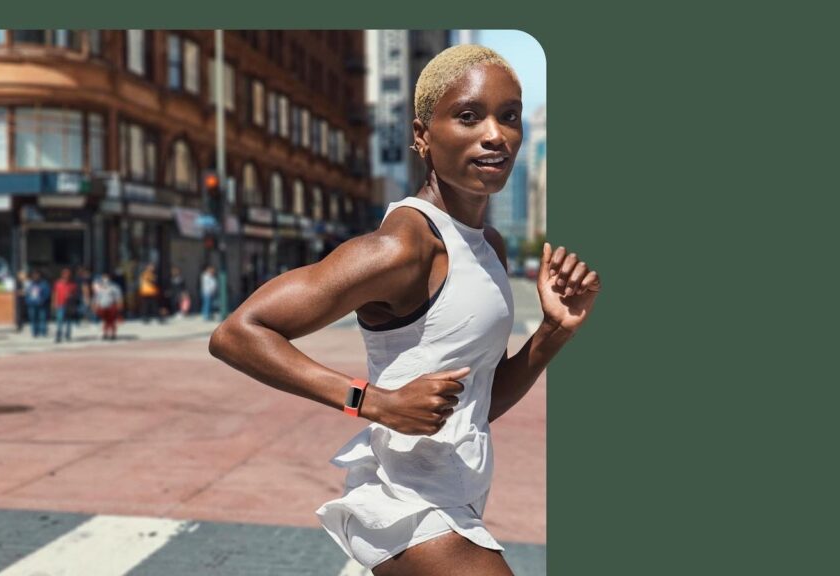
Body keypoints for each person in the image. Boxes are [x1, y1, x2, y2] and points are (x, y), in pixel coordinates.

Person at [209, 45, 601, 575]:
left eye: (509, 117)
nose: (495, 134)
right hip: (408, 505)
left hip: (458, 496)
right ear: (422, 135)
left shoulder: (488, 245)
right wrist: (371, 402)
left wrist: (554, 332)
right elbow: (238, 332)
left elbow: (477, 406)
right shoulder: (403, 246)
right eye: (469, 116)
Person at [93, 273, 123, 341]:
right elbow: (97, 298)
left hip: (111, 306)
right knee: (105, 321)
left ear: (109, 278)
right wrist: (95, 306)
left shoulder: (114, 287)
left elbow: (118, 297)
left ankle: (113, 334)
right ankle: (105, 334)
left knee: (112, 321)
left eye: (106, 278)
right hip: (102, 306)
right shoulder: (100, 288)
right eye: (104, 278)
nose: (105, 279)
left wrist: (119, 306)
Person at [53, 268, 78, 343]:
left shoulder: (73, 284)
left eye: (68, 274)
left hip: (69, 305)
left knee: (68, 321)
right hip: (60, 304)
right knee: (59, 320)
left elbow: (75, 295)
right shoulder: (58, 283)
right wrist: (54, 303)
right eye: (65, 274)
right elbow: (55, 293)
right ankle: (58, 335)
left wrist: (71, 296)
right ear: (62, 275)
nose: (66, 276)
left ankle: (68, 335)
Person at [25, 270, 51, 338]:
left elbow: (47, 293)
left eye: (37, 275)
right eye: (34, 275)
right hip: (32, 304)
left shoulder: (44, 284)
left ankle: (43, 332)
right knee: (33, 319)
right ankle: (35, 333)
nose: (35, 276)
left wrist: (43, 300)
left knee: (42, 318)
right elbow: (27, 294)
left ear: (39, 276)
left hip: (41, 304)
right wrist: (28, 301)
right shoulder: (30, 284)